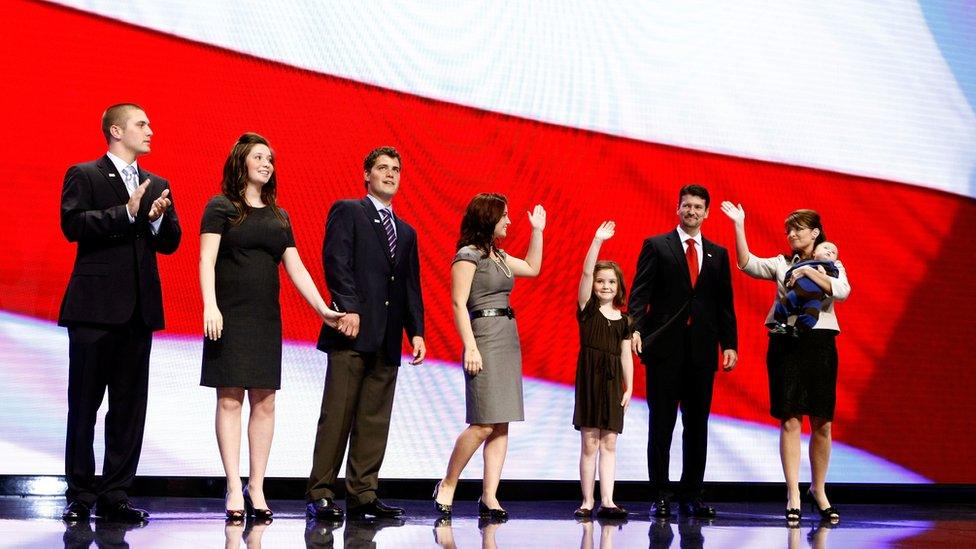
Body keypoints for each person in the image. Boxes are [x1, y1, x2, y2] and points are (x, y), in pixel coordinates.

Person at [200, 133, 344, 521]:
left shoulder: (280, 217)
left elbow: (296, 268)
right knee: (229, 399)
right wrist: (210, 306)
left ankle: (257, 486)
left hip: (265, 320)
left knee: (265, 402)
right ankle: (233, 485)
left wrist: (322, 309)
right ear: (242, 162)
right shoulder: (221, 207)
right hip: (228, 316)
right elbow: (206, 260)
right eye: (259, 157)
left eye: (270, 159)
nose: (267, 163)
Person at [58, 103, 181, 523]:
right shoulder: (85, 174)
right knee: (84, 404)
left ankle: (115, 495)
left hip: (138, 313)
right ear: (116, 130)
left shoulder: (158, 182)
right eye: (142, 123)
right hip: (93, 311)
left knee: (129, 407)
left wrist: (155, 221)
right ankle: (79, 494)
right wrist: (126, 213)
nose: (150, 130)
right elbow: (73, 224)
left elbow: (171, 243)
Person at [306, 146, 426, 521]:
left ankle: (363, 495)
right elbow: (336, 261)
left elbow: (409, 287)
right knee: (338, 415)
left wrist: (416, 332)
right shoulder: (349, 211)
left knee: (375, 421)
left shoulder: (406, 232)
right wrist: (349, 306)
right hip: (351, 331)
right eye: (382, 168)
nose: (389, 174)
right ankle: (321, 493)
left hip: (387, 339)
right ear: (367, 175)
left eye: (395, 169)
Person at [720, 202, 850, 522]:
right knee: (790, 418)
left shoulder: (832, 263)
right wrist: (739, 224)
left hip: (819, 344)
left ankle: (817, 490)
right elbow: (746, 263)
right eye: (788, 230)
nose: (791, 235)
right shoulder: (781, 263)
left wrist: (808, 271)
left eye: (798, 229)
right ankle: (793, 490)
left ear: (815, 233)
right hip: (785, 342)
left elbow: (842, 292)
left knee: (822, 421)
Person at [432, 193, 546, 520]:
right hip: (482, 336)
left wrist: (537, 230)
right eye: (505, 216)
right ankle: (448, 484)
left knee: (501, 424)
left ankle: (490, 497)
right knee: (482, 423)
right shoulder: (467, 255)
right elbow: (457, 302)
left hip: (507, 338)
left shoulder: (497, 254)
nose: (509, 221)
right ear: (488, 218)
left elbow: (533, 268)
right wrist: (470, 345)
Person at [628, 184, 737, 519]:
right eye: (686, 205)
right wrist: (633, 328)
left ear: (706, 213)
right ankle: (660, 493)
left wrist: (729, 344)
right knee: (661, 425)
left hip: (702, 352)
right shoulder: (657, 245)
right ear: (678, 209)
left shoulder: (717, 254)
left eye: (698, 207)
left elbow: (724, 305)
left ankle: (692, 495)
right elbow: (639, 292)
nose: (692, 211)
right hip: (664, 350)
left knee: (697, 426)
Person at [572, 221, 634, 519]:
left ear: (619, 286)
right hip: (589, 380)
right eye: (600, 281)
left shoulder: (625, 321)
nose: (605, 286)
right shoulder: (587, 311)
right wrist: (596, 240)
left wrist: (629, 387)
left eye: (611, 282)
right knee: (590, 442)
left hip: (612, 385)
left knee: (609, 442)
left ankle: (608, 500)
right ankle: (587, 501)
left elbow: (625, 356)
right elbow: (585, 272)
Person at [770, 241, 839, 336]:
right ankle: (781, 326)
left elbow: (834, 281)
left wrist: (825, 275)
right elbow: (791, 273)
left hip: (815, 297)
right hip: (798, 291)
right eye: (826, 248)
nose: (829, 251)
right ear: (814, 253)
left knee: (812, 315)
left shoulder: (832, 268)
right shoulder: (804, 263)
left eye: (833, 252)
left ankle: (799, 330)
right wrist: (788, 282)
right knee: (782, 304)